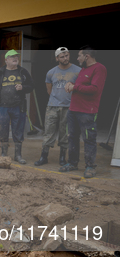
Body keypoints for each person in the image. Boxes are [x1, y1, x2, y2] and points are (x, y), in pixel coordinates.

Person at [59, 46, 107, 178]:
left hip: (87, 111)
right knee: (72, 137)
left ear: (87, 56)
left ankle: (90, 166)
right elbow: (79, 85)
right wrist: (70, 84)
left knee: (89, 139)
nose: (77, 58)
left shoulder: (99, 68)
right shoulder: (84, 70)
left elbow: (94, 89)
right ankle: (72, 163)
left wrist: (75, 87)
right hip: (73, 109)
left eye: (79, 56)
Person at [0, 49, 34, 164]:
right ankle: (4, 154)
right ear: (6, 60)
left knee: (18, 131)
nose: (15, 58)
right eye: (12, 57)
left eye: (17, 57)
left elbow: (31, 86)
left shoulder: (23, 72)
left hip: (19, 107)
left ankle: (18, 155)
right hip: (2, 107)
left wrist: (23, 88)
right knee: (3, 130)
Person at [34, 47, 81, 166]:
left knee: (64, 133)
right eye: (62, 56)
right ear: (57, 58)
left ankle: (62, 158)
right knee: (48, 132)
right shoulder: (51, 72)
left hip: (69, 107)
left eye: (67, 55)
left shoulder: (78, 71)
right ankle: (43, 157)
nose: (65, 58)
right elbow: (49, 90)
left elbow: (80, 88)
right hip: (52, 106)